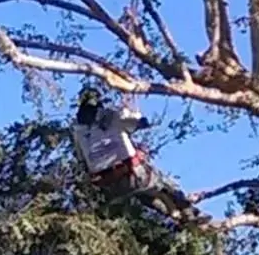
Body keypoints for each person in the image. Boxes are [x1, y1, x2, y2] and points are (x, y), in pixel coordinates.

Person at [72, 85, 184, 213]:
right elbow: (142, 123)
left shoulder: (78, 131)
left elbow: (81, 159)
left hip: (109, 186)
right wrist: (132, 113)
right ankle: (188, 210)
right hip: (132, 174)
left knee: (142, 192)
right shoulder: (112, 117)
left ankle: (170, 213)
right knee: (163, 184)